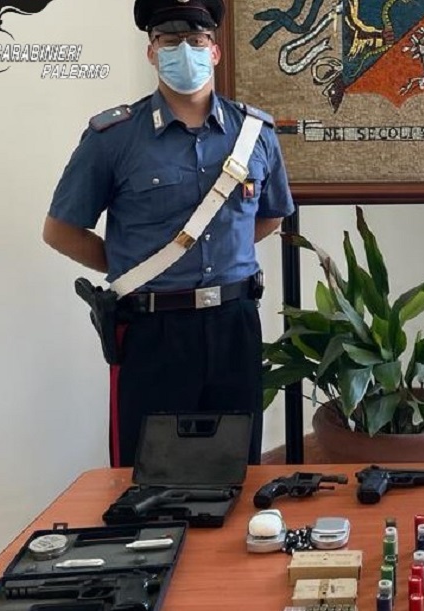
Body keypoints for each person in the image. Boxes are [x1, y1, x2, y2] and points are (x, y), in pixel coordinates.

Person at [42, 0, 294, 467]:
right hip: (153, 330)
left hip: (234, 323)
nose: (185, 51)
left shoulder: (255, 133)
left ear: (214, 51)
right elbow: (61, 230)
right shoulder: (114, 137)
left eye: (196, 41)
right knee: (148, 474)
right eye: (170, 42)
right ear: (152, 52)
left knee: (236, 468)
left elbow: (269, 217)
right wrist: (131, 268)